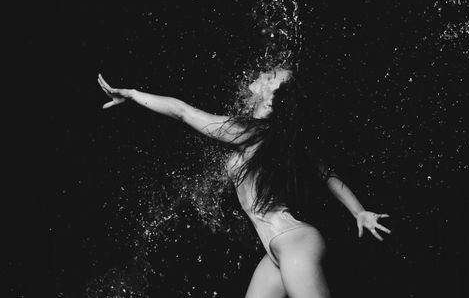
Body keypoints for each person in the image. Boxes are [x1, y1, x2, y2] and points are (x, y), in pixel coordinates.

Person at [97, 68, 391, 298]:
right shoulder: (278, 140)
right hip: (277, 250)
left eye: (272, 75)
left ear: (274, 95)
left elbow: (183, 112)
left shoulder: (255, 132)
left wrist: (134, 94)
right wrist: (358, 211)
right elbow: (327, 175)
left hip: (294, 244)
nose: (264, 73)